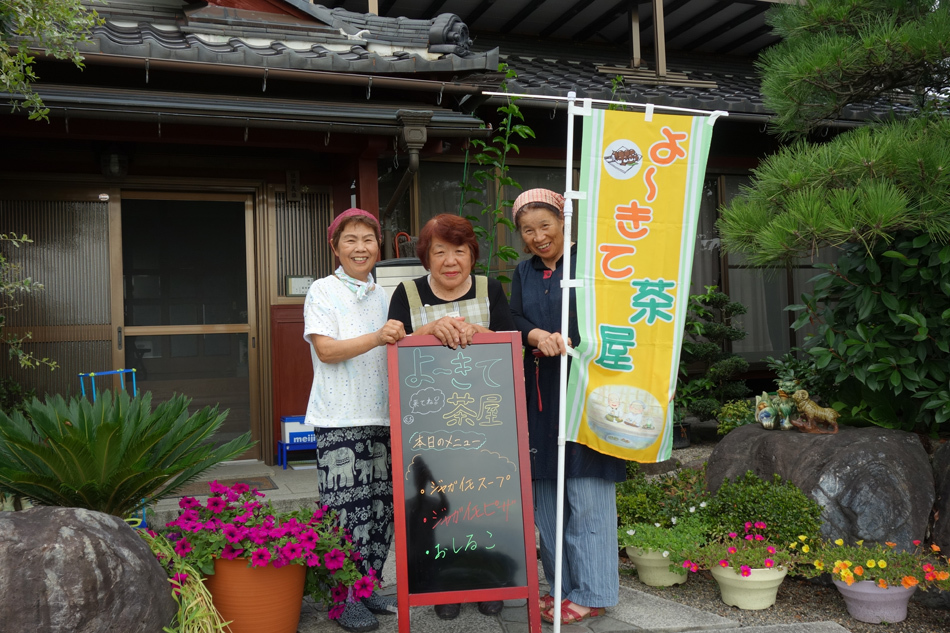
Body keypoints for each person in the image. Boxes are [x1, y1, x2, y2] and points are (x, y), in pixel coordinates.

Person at [508, 189, 626, 626]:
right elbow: (513, 319)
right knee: (547, 498)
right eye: (528, 229)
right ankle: (561, 588)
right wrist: (536, 335)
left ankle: (593, 590)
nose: (538, 236)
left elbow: (619, 318)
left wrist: (579, 339)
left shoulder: (595, 263)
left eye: (545, 225)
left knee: (588, 491)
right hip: (541, 393)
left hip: (590, 390)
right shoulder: (523, 272)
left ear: (563, 223)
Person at [387, 213, 512, 620]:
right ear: (426, 257)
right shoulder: (407, 292)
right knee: (437, 508)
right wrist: (431, 329)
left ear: (472, 254)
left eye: (460, 250)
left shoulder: (490, 288)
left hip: (488, 422)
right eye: (439, 251)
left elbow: (511, 345)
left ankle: (489, 584)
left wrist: (478, 333)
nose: (450, 260)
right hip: (427, 428)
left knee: (486, 505)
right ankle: (443, 588)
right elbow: (393, 347)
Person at [303, 208, 406, 633]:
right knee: (345, 512)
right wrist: (378, 336)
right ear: (335, 247)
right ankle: (340, 599)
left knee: (381, 512)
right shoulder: (322, 291)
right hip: (338, 418)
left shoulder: (386, 295)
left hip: (385, 416)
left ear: (378, 246)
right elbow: (326, 350)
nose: (361, 247)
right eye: (351, 240)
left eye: (368, 239)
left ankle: (366, 587)